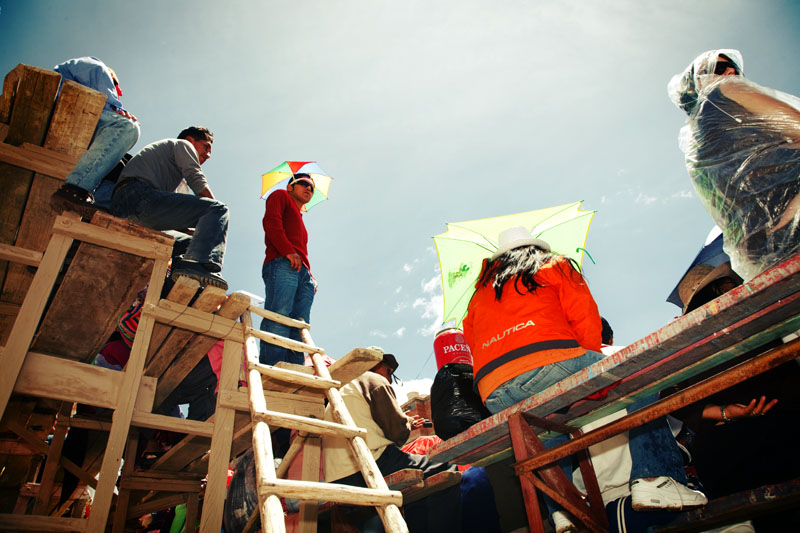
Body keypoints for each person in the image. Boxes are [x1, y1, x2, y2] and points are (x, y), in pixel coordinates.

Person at [463, 227, 706, 532]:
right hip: (547, 360)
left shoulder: (479, 295)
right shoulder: (552, 264)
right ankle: (654, 478)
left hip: (493, 390)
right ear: (536, 249)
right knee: (636, 375)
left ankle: (563, 509)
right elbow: (585, 318)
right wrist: (589, 374)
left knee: (551, 435)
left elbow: (472, 344)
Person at [668, 49, 800, 281]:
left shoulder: (694, 145)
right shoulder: (724, 90)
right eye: (719, 68)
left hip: (764, 250)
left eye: (734, 68)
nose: (730, 72)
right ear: (699, 81)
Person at [321, 347, 460, 531]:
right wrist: (407, 424)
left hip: (338, 477)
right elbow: (396, 432)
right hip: (370, 463)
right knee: (447, 470)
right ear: (376, 365)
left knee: (417, 488)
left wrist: (405, 422)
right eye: (389, 372)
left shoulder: (341, 390)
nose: (389, 379)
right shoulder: (374, 380)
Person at [110, 126, 229, 289]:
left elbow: (170, 214)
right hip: (135, 196)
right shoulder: (182, 145)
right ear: (190, 140)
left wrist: (198, 230)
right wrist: (215, 216)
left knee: (189, 243)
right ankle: (201, 266)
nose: (208, 155)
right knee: (218, 209)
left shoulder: (168, 175)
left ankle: (177, 284)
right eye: (205, 146)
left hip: (134, 208)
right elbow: (196, 177)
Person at [50, 57, 140, 217]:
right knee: (126, 128)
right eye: (116, 86)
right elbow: (104, 93)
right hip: (64, 111)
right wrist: (116, 108)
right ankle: (74, 190)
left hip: (78, 121)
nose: (118, 92)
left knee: (120, 170)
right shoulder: (97, 67)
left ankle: (97, 203)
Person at [259, 174, 316, 365]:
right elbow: (271, 222)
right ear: (291, 186)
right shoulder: (280, 195)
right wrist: (287, 251)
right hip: (283, 263)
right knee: (279, 316)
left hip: (303, 273)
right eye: (304, 184)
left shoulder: (300, 217)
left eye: (312, 188)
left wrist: (310, 276)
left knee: (299, 326)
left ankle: (293, 371)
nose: (309, 189)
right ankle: (273, 369)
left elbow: (303, 250)